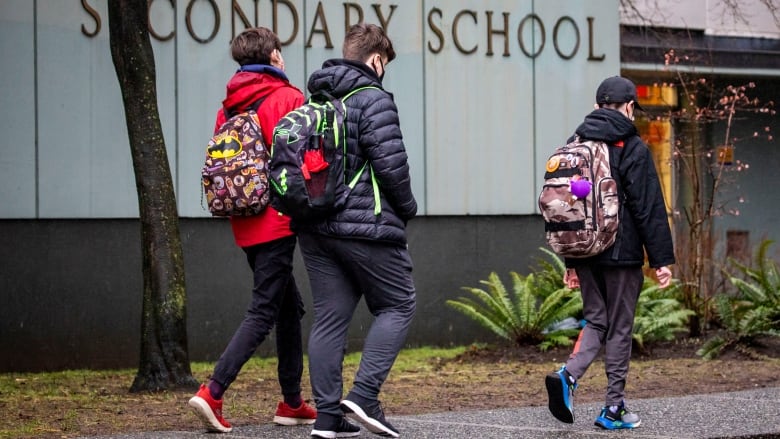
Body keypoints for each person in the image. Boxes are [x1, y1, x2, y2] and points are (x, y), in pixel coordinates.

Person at [188, 27, 316, 433]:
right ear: (273, 56)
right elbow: (306, 158)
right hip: (277, 218)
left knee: (287, 306)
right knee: (264, 309)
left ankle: (291, 402)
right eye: (280, 51)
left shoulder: (227, 107)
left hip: (243, 218)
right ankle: (213, 391)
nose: (283, 56)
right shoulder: (289, 98)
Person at [296, 23, 418, 439]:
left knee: (329, 318)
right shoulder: (374, 98)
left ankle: (328, 418)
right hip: (365, 225)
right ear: (376, 60)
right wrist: (408, 207)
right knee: (399, 304)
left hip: (314, 227)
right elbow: (391, 165)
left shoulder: (317, 97)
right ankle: (365, 396)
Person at [544, 76, 675, 430]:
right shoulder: (632, 146)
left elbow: (569, 208)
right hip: (622, 252)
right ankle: (613, 407)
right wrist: (661, 260)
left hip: (586, 250)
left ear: (598, 104)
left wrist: (571, 260)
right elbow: (649, 207)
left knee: (596, 319)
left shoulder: (576, 144)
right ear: (629, 106)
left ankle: (568, 375)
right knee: (618, 327)